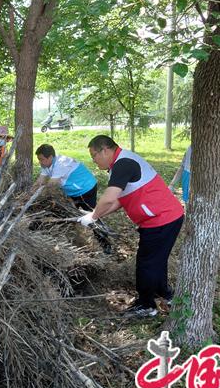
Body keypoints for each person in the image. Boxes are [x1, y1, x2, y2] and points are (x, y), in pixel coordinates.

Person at [78, 135, 184, 317]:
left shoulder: (123, 164)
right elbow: (120, 201)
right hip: (164, 217)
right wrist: (95, 215)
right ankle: (165, 294)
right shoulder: (120, 164)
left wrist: (94, 216)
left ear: (105, 150)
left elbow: (110, 198)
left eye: (94, 155)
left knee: (146, 264)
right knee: (156, 260)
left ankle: (146, 305)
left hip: (161, 219)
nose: (93, 161)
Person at [34, 144, 98, 210]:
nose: (40, 162)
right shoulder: (46, 165)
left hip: (86, 188)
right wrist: (31, 193)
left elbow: (51, 185)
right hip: (74, 189)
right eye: (39, 159)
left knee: (89, 214)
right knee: (71, 211)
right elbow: (40, 181)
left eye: (41, 159)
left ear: (50, 157)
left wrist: (37, 198)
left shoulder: (60, 164)